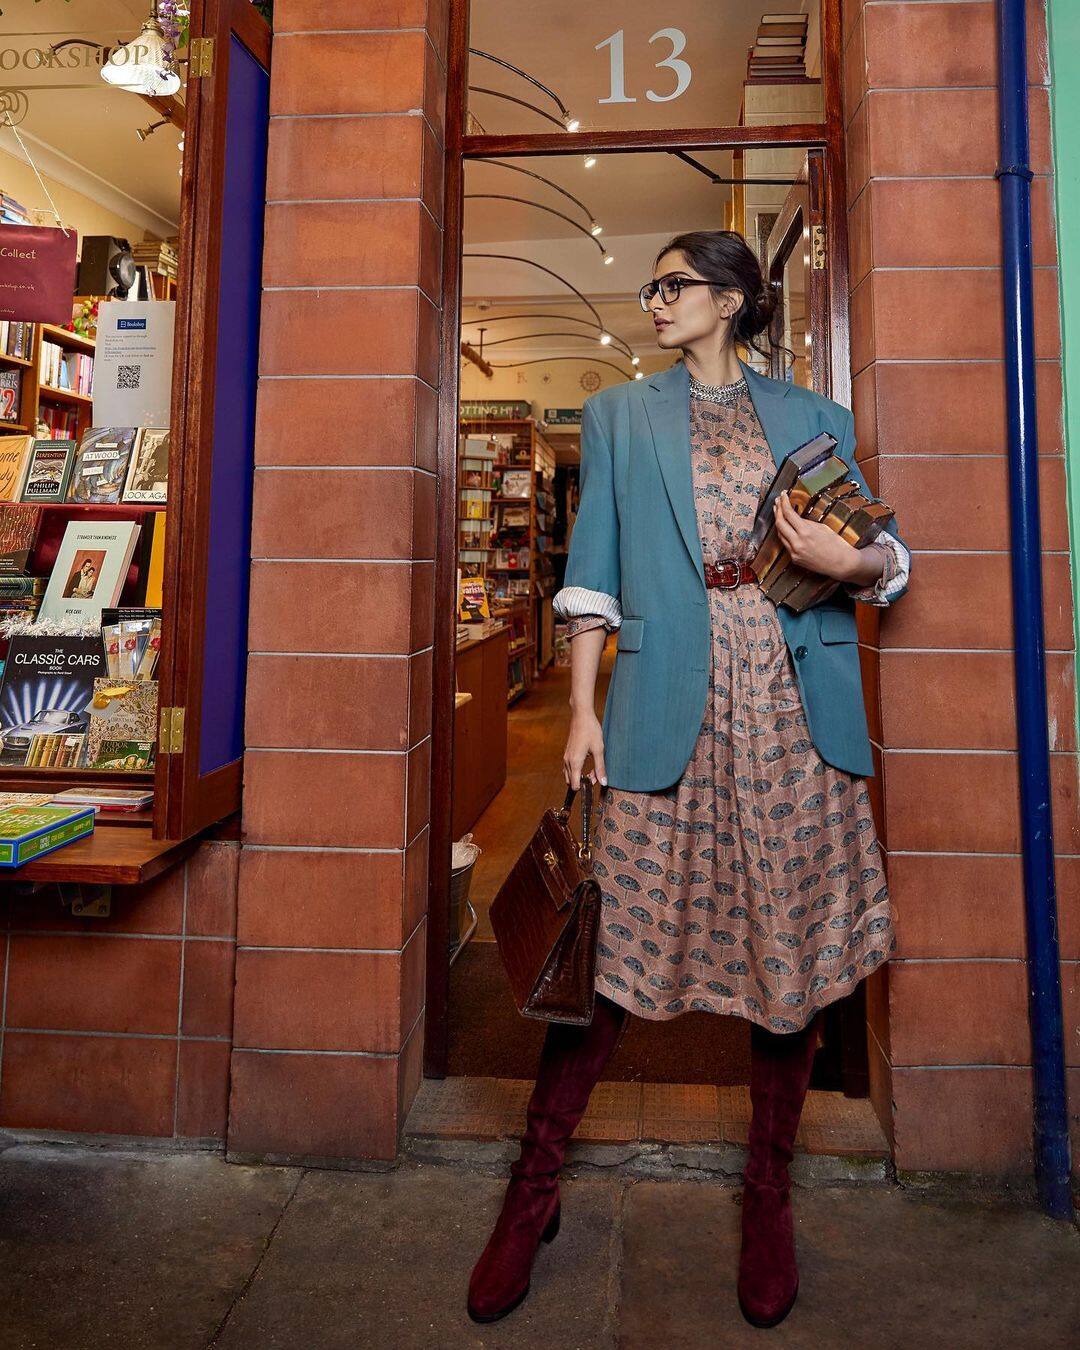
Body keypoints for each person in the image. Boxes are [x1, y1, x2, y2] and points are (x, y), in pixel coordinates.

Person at [466, 230, 910, 1329]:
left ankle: (770, 1199)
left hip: (795, 703)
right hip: (669, 698)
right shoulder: (622, 415)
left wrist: (849, 564)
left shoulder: (817, 419)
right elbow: (594, 575)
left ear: (733, 300)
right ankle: (533, 1195)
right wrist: (578, 710)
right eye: (654, 286)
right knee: (609, 952)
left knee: (788, 954)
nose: (655, 300)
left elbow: (886, 559)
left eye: (674, 285)